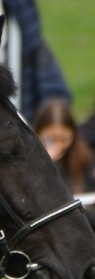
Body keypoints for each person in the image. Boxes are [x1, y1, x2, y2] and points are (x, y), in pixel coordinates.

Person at [32, 98, 95, 228]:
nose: (59, 146)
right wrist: (47, 164)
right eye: (50, 139)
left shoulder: (84, 158)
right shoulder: (31, 165)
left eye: (64, 139)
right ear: (38, 133)